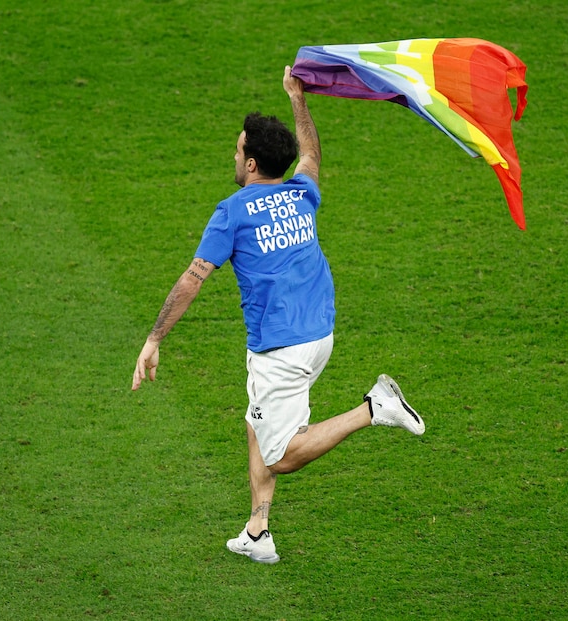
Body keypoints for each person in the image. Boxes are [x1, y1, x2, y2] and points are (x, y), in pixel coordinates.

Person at [132, 66, 425, 564]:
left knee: (281, 453)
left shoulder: (233, 211)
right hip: (317, 332)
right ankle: (258, 529)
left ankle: (374, 408)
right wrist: (298, 99)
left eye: (238, 147)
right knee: (256, 419)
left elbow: (192, 278)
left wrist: (154, 338)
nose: (234, 152)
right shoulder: (301, 192)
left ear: (250, 163)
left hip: (282, 347)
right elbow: (310, 153)